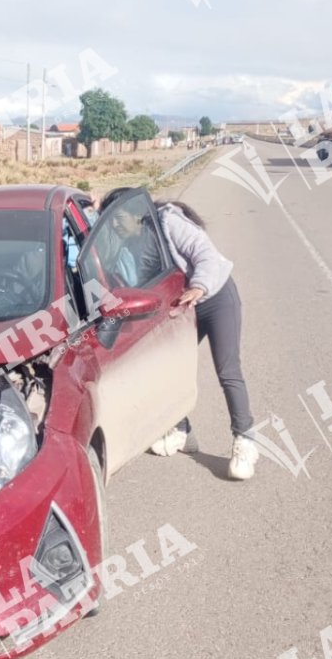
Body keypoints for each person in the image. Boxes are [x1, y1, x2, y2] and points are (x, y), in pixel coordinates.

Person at [97, 187, 259, 481]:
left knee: (228, 370)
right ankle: (181, 429)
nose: (116, 226)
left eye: (118, 219)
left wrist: (200, 286)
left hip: (215, 297)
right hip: (183, 308)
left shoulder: (168, 222)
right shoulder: (128, 246)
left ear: (136, 215)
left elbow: (207, 255)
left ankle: (245, 441)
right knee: (164, 371)